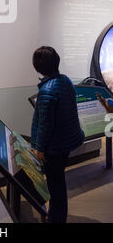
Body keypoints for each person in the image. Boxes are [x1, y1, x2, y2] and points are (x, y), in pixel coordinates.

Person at [31, 46, 85, 223]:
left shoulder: (47, 90)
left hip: (55, 147)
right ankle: (57, 215)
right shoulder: (65, 80)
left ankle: (56, 218)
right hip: (66, 141)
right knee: (58, 182)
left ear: (38, 66)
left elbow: (45, 125)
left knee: (56, 185)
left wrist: (39, 149)